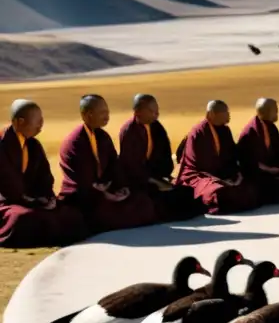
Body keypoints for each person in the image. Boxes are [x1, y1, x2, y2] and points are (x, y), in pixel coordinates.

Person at [58, 95, 158, 232]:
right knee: (100, 211)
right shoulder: (74, 142)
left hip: (107, 191)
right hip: (85, 195)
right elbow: (81, 179)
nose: (107, 116)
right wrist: (103, 193)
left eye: (107, 112)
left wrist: (121, 187)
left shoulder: (103, 137)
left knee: (143, 202)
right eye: (102, 113)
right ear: (88, 114)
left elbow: (114, 165)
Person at [0, 100, 88, 247]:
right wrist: (30, 201)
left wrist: (47, 198)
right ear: (20, 122)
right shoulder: (2, 145)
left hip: (35, 201)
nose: (41, 125)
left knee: (72, 214)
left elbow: (45, 177)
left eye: (42, 120)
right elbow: (6, 182)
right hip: (8, 203)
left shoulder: (33, 145)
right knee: (22, 218)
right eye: (38, 121)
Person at [119, 94, 204, 222]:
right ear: (138, 112)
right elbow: (132, 167)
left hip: (157, 179)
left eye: (157, 111)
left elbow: (164, 154)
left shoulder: (156, 126)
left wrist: (165, 177)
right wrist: (154, 182)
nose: (156, 114)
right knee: (152, 201)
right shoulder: (129, 131)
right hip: (137, 183)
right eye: (152, 111)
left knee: (188, 193)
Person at [176, 100, 261, 215]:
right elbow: (197, 166)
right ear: (212, 114)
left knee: (249, 187)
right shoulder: (198, 132)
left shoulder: (225, 130)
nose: (228, 115)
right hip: (201, 176)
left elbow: (231, 157)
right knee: (217, 191)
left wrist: (236, 175)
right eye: (225, 112)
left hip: (224, 175)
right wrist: (220, 180)